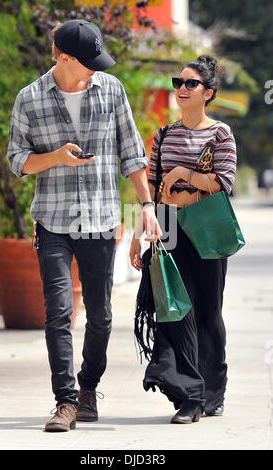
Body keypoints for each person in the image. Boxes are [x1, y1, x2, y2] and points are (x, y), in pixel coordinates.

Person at [7, 19, 161, 432]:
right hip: (53, 221)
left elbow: (132, 153)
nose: (97, 67)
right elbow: (17, 160)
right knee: (58, 313)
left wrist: (146, 205)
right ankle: (66, 402)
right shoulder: (30, 98)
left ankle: (88, 387)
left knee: (102, 315)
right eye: (88, 61)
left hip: (100, 219)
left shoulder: (111, 90)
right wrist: (55, 157)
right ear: (63, 58)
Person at [130, 55, 237, 424]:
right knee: (177, 311)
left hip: (206, 231)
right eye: (178, 82)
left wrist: (182, 174)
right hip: (169, 228)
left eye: (190, 84)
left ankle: (213, 391)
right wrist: (137, 237)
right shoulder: (164, 135)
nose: (181, 89)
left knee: (209, 313)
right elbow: (153, 193)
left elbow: (223, 183)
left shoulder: (220, 134)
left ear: (208, 93)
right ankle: (190, 396)